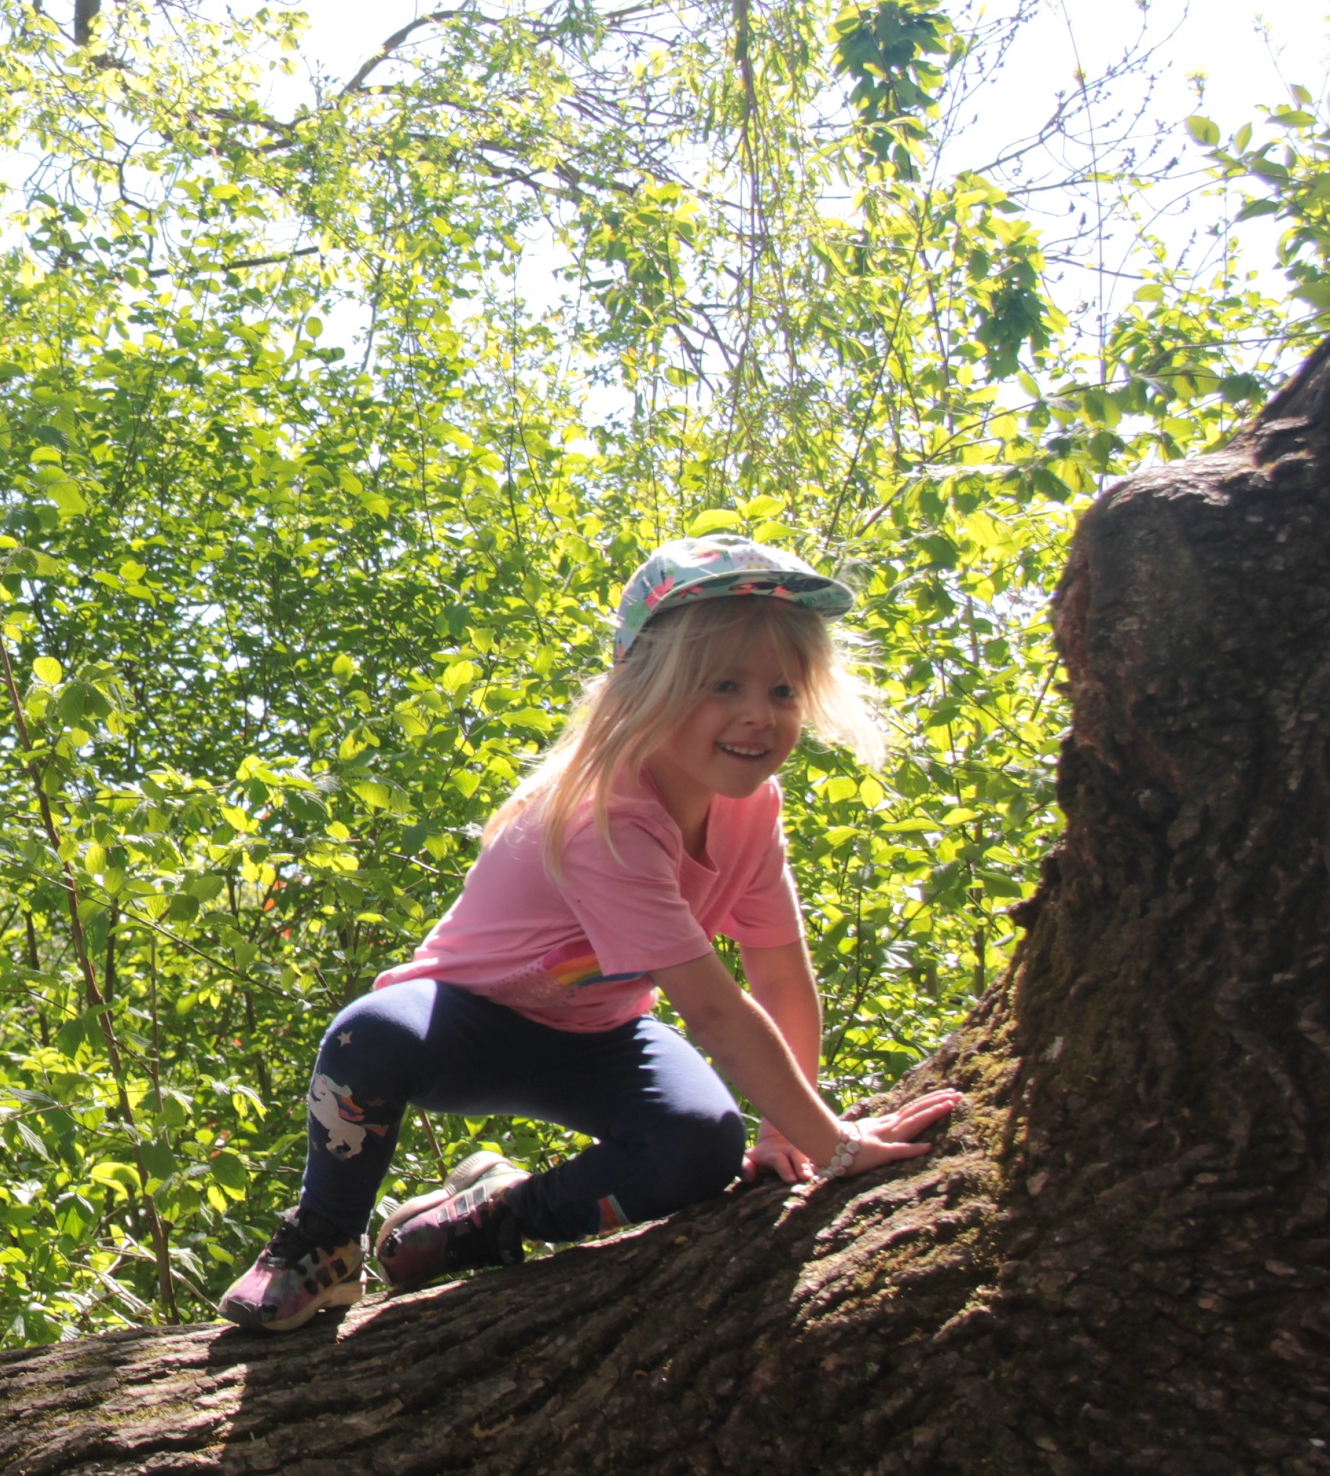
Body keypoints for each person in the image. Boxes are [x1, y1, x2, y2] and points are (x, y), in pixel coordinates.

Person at [217, 536, 964, 1334]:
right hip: (464, 1023)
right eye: (724, 685)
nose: (760, 714)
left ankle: (476, 1223)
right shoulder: (605, 818)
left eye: (784, 691)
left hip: (597, 1034)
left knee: (699, 1147)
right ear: (647, 690)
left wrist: (793, 1131)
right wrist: (840, 1145)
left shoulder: (754, 813)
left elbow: (779, 977)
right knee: (368, 1038)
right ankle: (323, 1243)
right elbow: (714, 1011)